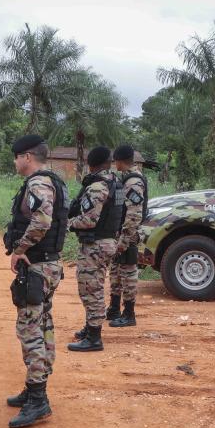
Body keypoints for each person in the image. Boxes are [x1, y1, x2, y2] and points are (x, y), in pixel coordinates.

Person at [3, 135, 68, 428]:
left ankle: (39, 399)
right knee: (43, 324)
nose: (15, 162)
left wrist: (20, 249)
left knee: (29, 328)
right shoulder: (54, 181)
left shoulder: (38, 183)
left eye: (16, 157)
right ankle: (33, 388)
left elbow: (42, 221)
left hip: (38, 265)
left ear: (27, 157)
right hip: (49, 264)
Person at [67, 146, 123, 352]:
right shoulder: (116, 182)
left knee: (91, 289)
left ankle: (94, 337)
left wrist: (67, 223)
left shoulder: (98, 186)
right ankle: (91, 327)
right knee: (94, 286)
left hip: (96, 245)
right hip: (107, 241)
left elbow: (89, 220)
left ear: (91, 164)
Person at [107, 144, 148, 328]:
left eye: (115, 161)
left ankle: (129, 313)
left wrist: (124, 239)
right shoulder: (126, 178)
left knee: (128, 274)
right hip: (119, 233)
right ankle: (114, 308)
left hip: (128, 235)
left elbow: (134, 214)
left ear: (120, 161)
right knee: (115, 272)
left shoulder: (133, 181)